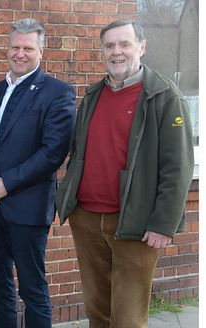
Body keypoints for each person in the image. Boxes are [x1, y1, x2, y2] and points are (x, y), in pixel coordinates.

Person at [56, 19, 194, 327]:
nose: (116, 52)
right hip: (87, 219)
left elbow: (178, 168)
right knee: (97, 313)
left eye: (125, 44)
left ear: (141, 48)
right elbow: (78, 152)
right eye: (109, 45)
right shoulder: (93, 95)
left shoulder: (165, 97)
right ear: (102, 51)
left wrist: (163, 224)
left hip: (135, 223)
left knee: (128, 319)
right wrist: (69, 200)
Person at [0, 18, 76, 327]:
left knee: (32, 289)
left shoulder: (57, 93)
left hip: (27, 207)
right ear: (7, 48)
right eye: (15, 47)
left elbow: (53, 152)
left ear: (40, 52)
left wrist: (6, 184)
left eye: (28, 48)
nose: (20, 53)